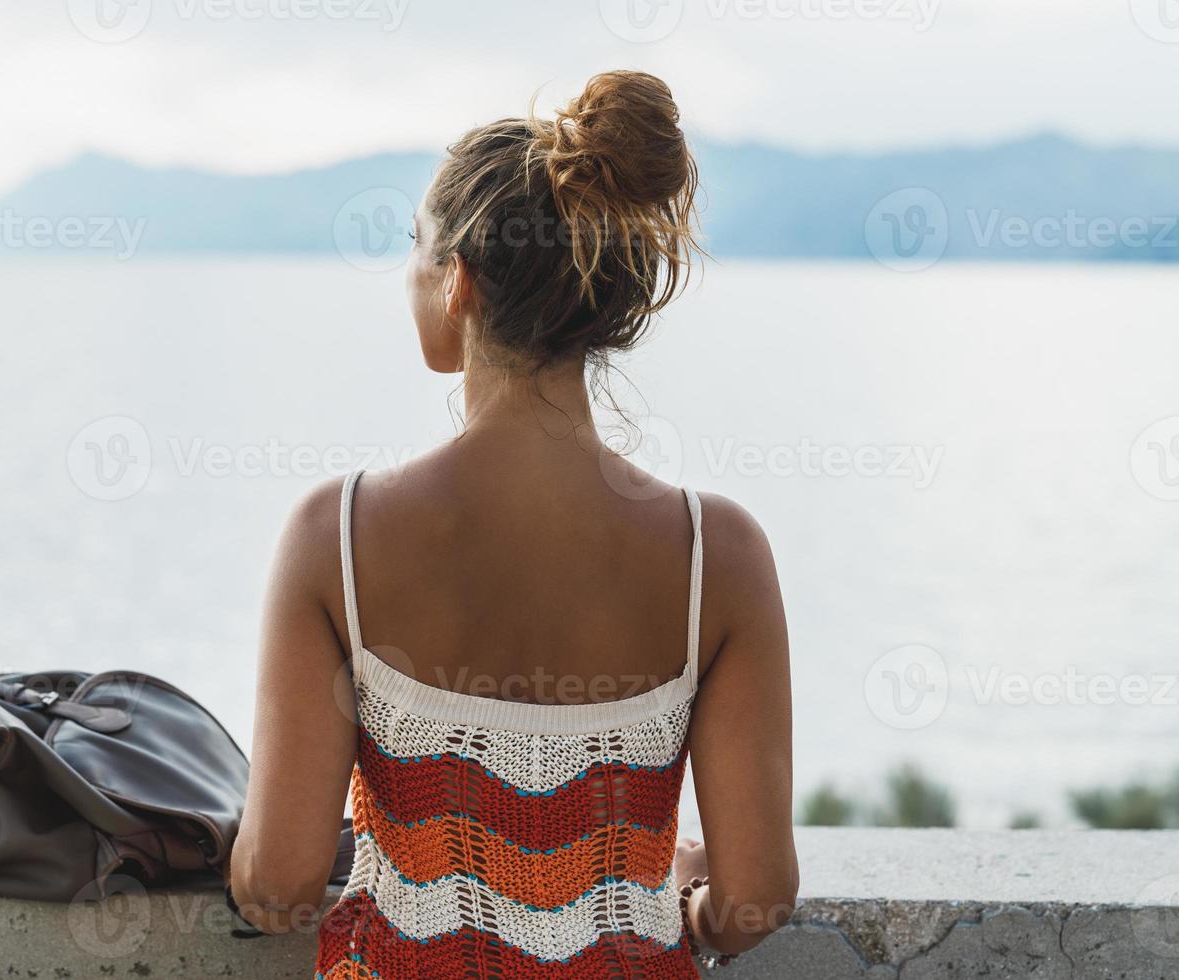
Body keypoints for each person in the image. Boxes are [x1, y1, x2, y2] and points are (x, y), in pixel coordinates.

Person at [227, 70, 798, 978]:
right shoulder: (715, 554)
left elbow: (283, 886)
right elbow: (758, 892)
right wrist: (688, 902)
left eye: (414, 250)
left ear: (456, 283)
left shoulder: (335, 536)